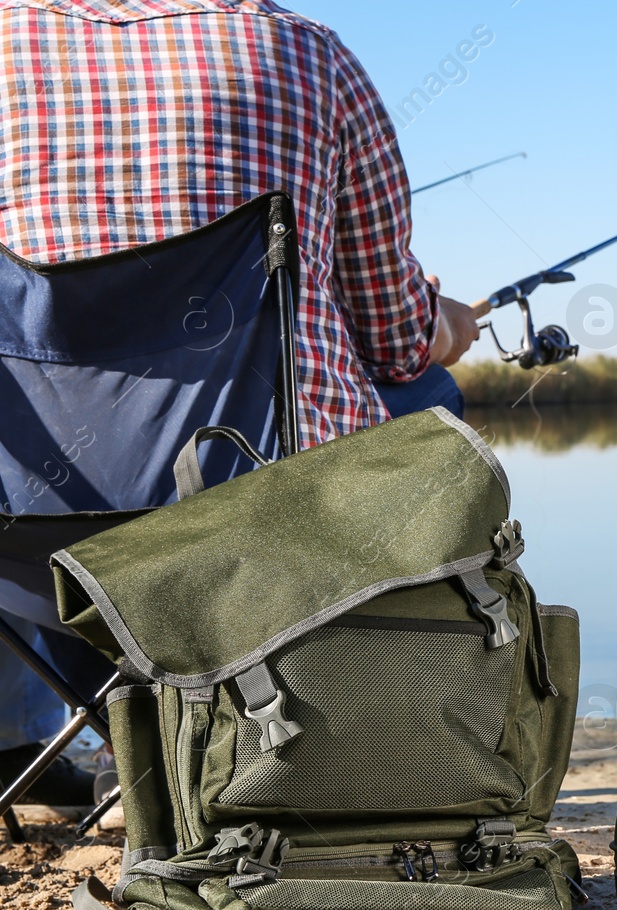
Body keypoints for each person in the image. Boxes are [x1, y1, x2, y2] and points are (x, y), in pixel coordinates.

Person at [0, 0, 482, 802]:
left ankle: (19, 742)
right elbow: (394, 338)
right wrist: (447, 322)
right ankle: (340, 710)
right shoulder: (311, 56)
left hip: (24, 532)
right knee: (429, 394)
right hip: (255, 509)